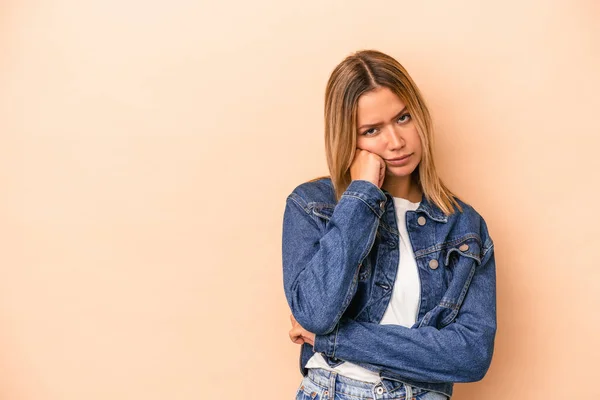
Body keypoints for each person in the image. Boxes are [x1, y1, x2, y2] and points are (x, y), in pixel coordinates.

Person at [281, 49, 497, 400]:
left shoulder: (463, 227)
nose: (396, 142)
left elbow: (470, 355)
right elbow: (316, 313)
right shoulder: (314, 206)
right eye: (371, 130)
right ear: (349, 139)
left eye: (403, 118)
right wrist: (362, 194)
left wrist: (335, 340)